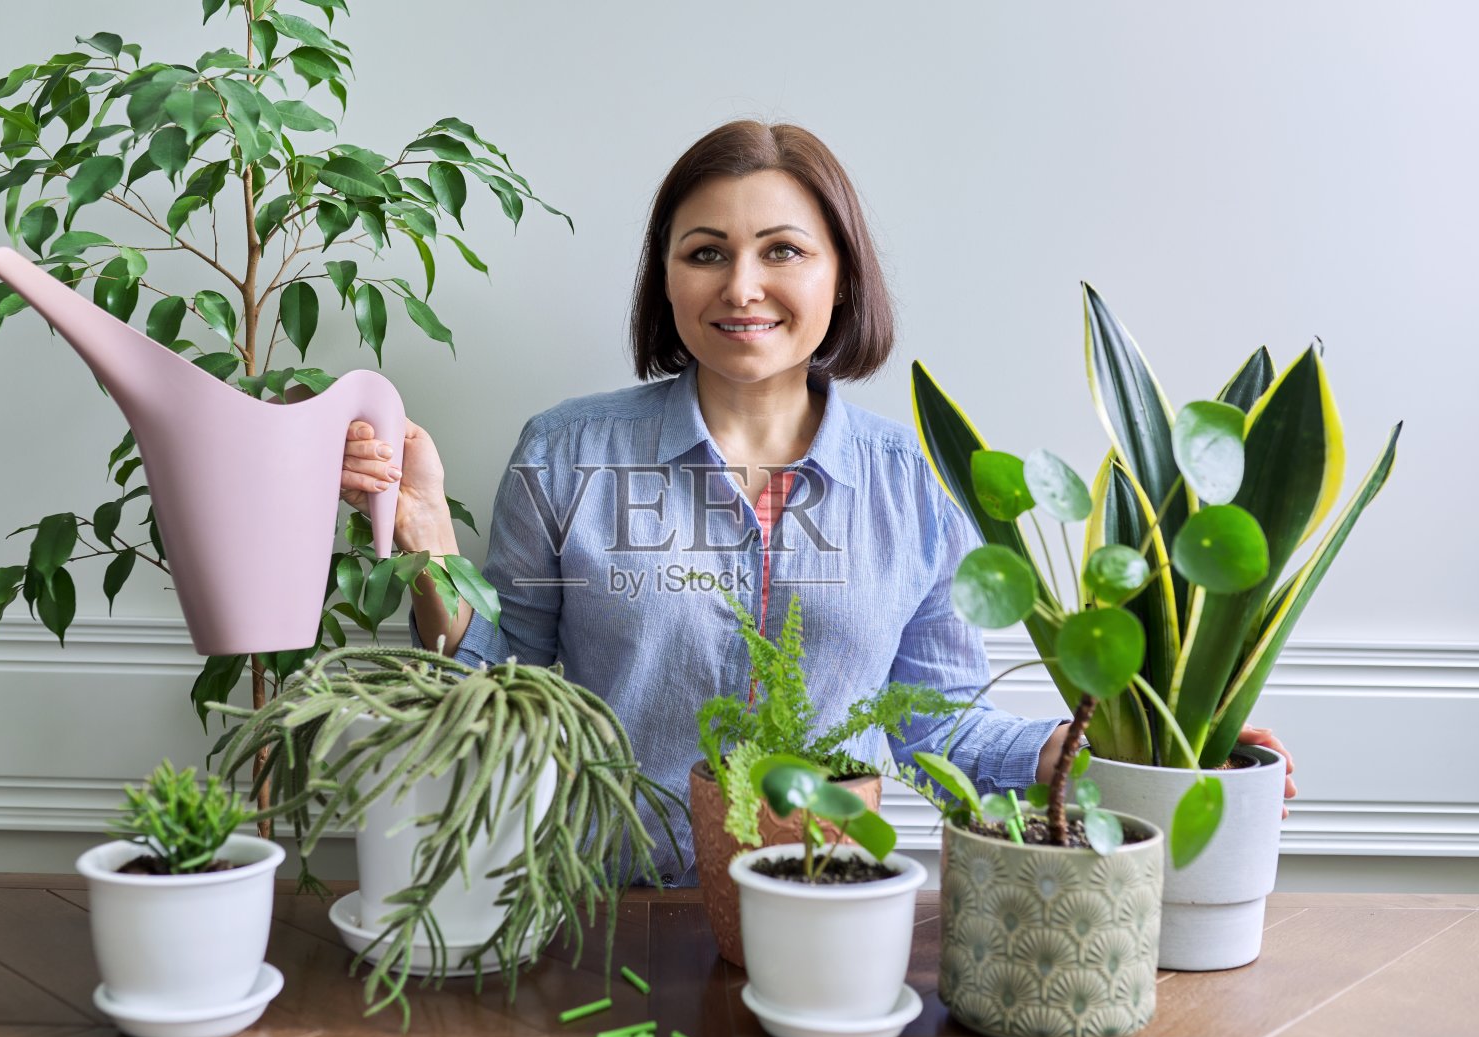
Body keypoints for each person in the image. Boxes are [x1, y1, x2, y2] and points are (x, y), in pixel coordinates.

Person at [338, 121, 1296, 884]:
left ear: (840, 276)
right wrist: (427, 545)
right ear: (664, 279)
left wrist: (1140, 747)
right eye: (705, 252)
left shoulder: (918, 481)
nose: (742, 286)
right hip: (610, 911)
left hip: (834, 898)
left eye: (782, 251)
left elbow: (938, 723)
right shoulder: (567, 452)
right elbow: (504, 692)